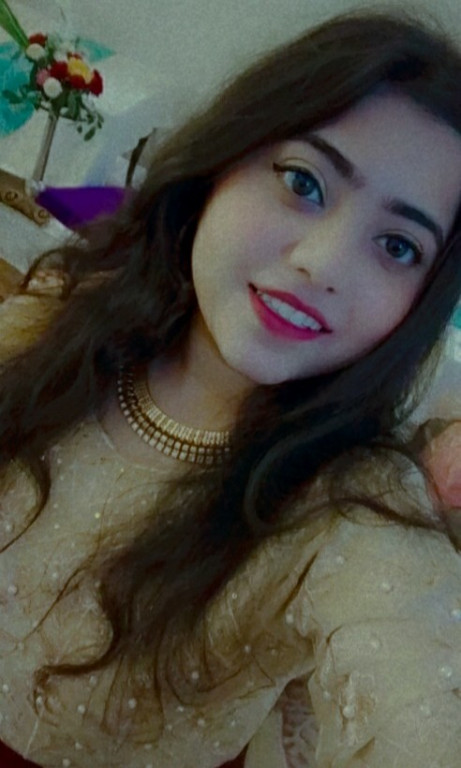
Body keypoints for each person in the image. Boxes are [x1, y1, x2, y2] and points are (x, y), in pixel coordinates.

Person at [0, 8, 461, 767]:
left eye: (397, 245)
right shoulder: (59, 314)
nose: (321, 263)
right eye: (304, 183)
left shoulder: (347, 512)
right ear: (224, 162)